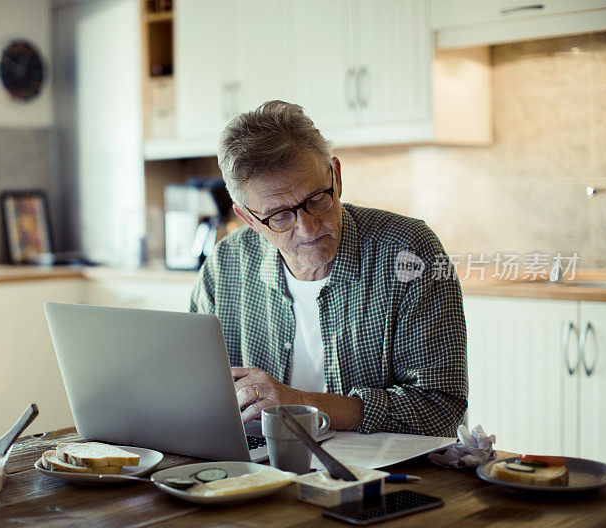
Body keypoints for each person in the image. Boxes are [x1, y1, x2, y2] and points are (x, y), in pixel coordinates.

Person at [189, 100, 467, 437]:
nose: (308, 229)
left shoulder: (408, 250)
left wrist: (299, 403)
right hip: (256, 474)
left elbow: (440, 408)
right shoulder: (226, 265)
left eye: (317, 199)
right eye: (279, 216)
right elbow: (198, 393)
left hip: (378, 477)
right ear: (249, 218)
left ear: (335, 175)